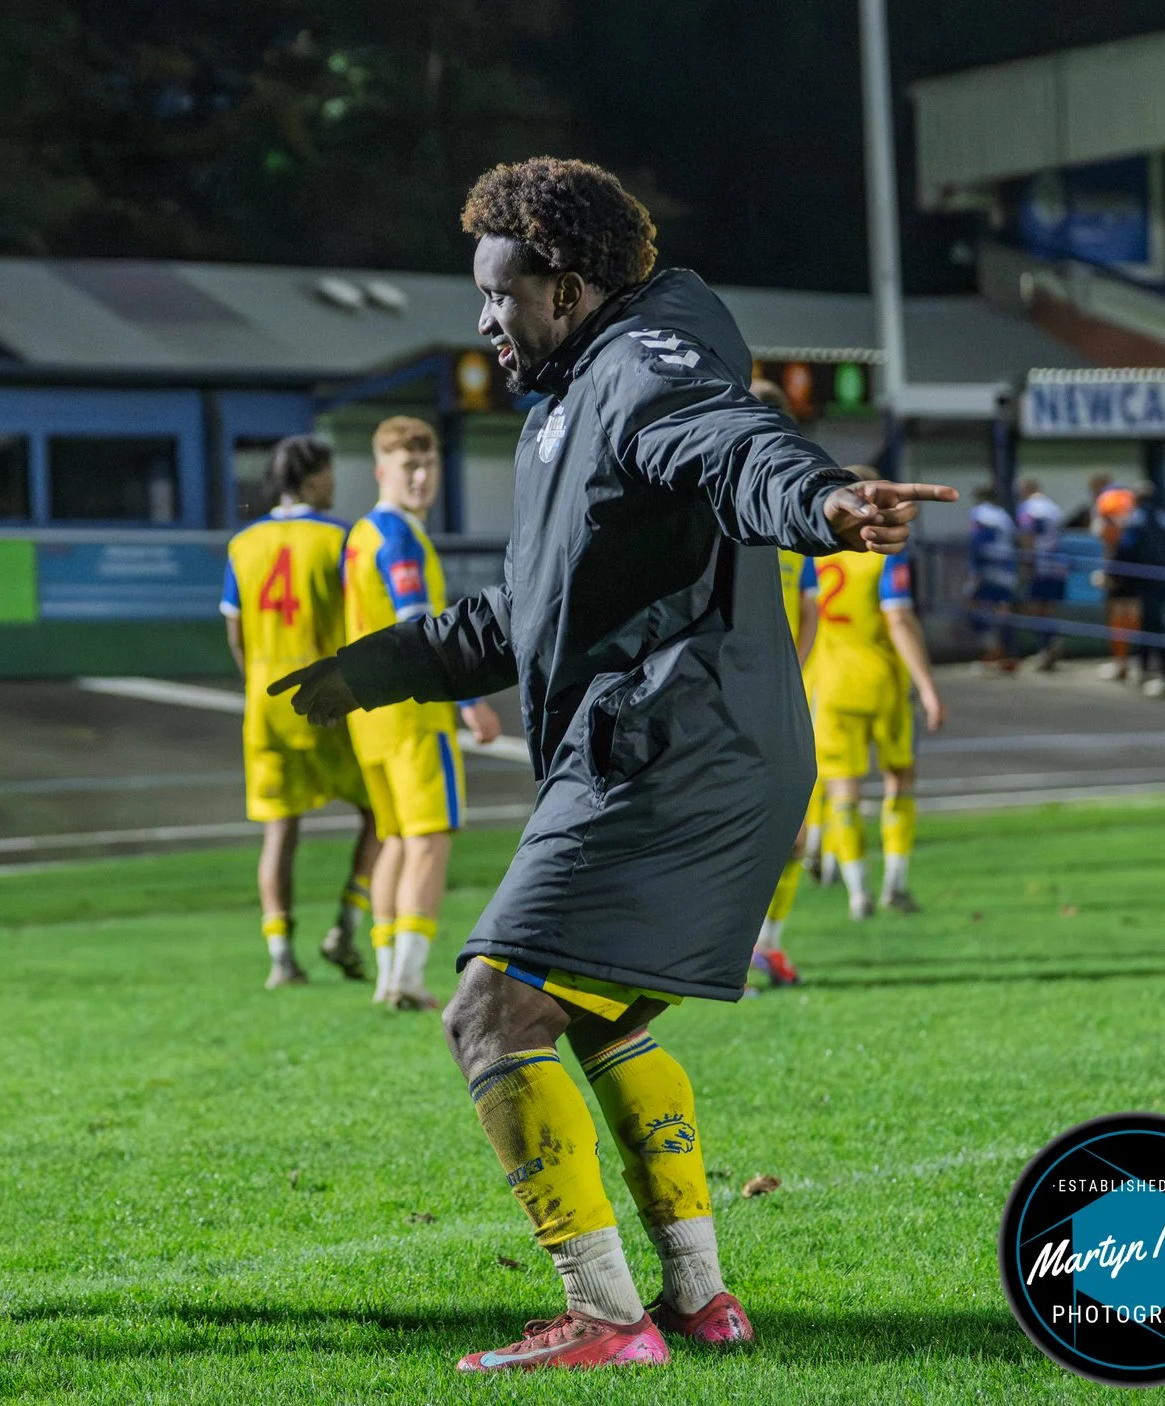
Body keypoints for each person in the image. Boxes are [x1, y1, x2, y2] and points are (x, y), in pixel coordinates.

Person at [273, 157, 952, 1373]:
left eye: (500, 293)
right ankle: (697, 1296)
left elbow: (734, 446)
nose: (484, 318)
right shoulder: (573, 396)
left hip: (666, 752)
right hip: (696, 746)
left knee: (488, 1008)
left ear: (568, 286)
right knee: (599, 1018)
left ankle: (603, 1315)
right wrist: (369, 669)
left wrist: (824, 502)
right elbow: (527, 612)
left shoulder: (645, 366)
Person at [341, 416, 502, 1010]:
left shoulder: (358, 534)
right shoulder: (401, 537)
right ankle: (407, 976)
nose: (421, 476)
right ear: (381, 470)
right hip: (412, 714)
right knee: (430, 838)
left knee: (395, 839)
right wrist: (470, 700)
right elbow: (419, 630)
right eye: (409, 466)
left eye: (428, 464)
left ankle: (389, 974)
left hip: (370, 713)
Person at [220, 435, 381, 989]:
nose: (335, 483)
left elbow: (235, 633)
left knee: (279, 832)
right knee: (381, 812)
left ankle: (281, 958)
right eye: (330, 473)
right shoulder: (341, 537)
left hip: (267, 705)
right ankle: (345, 924)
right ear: (314, 478)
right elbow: (363, 615)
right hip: (329, 702)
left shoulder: (243, 544)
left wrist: (258, 680)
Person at [807, 491, 947, 921]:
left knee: (842, 792)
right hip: (882, 686)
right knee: (899, 780)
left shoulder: (812, 556)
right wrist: (927, 685)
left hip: (830, 686)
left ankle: (855, 893)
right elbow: (899, 618)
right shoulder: (884, 553)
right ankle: (895, 884)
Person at [751, 379, 815, 988]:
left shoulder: (790, 513)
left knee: (795, 834)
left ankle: (765, 944)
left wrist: (788, 677)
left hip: (783, 697)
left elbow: (810, 605)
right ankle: (719, 951)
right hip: (725, 697)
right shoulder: (717, 503)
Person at [1110, 485, 1165, 697]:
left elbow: (1125, 549)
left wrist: (1114, 575)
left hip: (1142, 580)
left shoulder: (1135, 520)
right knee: (1149, 624)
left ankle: (1163, 675)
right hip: (1163, 579)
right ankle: (1146, 671)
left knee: (1153, 626)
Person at [1014, 478, 1066, 670]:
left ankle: (1046, 647)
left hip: (1040, 565)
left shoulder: (1027, 509)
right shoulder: (1053, 509)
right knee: (1049, 609)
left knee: (1036, 608)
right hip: (1057, 565)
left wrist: (1027, 565)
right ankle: (1051, 643)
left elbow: (1028, 537)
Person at [966, 484, 1019, 670]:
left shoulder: (980, 513)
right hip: (1007, 569)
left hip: (989, 569)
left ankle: (991, 655)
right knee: (1003, 612)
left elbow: (978, 543)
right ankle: (1006, 654)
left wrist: (973, 573)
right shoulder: (1004, 515)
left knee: (982, 611)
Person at [1095, 479, 1141, 682]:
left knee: (1118, 615)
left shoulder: (1106, 502)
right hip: (1137, 566)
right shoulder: (1131, 502)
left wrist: (1106, 572)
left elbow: (1103, 536)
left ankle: (1121, 663)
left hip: (1117, 564)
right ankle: (1136, 663)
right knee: (1134, 613)